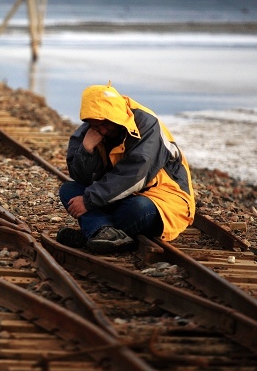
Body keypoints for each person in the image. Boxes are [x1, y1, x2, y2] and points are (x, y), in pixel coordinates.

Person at [56, 83, 195, 253]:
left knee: (138, 208)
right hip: (117, 196)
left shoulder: (148, 126)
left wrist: (88, 201)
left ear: (115, 116)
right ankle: (103, 234)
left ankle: (93, 231)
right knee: (69, 190)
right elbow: (81, 179)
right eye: (96, 126)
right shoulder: (89, 130)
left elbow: (135, 175)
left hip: (161, 197)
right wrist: (87, 150)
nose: (103, 131)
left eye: (105, 124)